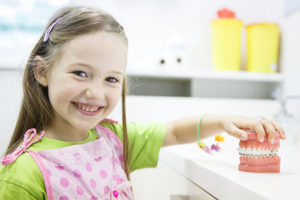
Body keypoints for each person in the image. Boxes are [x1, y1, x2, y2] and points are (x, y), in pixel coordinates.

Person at [0, 5, 286, 200]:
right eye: (81, 73)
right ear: (42, 72)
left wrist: (224, 121)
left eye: (111, 79)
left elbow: (173, 131)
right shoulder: (23, 174)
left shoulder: (112, 139)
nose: (95, 93)